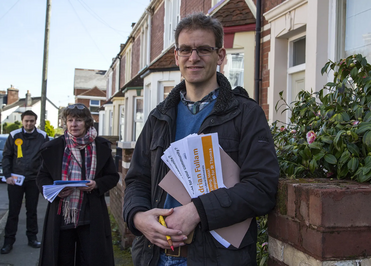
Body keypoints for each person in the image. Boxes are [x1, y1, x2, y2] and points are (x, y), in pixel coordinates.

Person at [122, 12, 279, 266]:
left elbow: (262, 187)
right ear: (176, 56)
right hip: (155, 257)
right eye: (185, 50)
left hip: (217, 259)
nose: (193, 57)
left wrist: (197, 211)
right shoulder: (158, 117)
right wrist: (138, 217)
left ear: (220, 56)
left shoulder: (246, 114)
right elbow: (137, 180)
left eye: (203, 49)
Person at [36, 103, 119, 266]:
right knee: (62, 259)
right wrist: (55, 191)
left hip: (91, 215)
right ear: (65, 122)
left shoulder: (101, 147)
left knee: (90, 260)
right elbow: (41, 177)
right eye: (70, 120)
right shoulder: (53, 147)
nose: (74, 124)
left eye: (79, 120)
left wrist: (96, 184)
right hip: (62, 215)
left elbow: (112, 177)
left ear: (87, 122)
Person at [1, 110, 49, 254]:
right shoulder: (14, 135)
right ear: (22, 121)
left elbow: (46, 158)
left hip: (34, 180)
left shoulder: (43, 136)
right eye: (26, 121)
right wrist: (7, 175)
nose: (29, 123)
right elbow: (6, 156)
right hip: (15, 180)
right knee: (13, 212)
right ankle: (8, 241)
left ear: (36, 121)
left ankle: (32, 238)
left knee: (32, 211)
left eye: (31, 121)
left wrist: (43, 176)